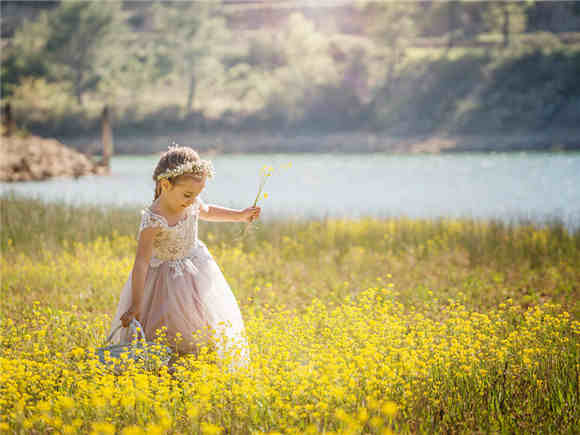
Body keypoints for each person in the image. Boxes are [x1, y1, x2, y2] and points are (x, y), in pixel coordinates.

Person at [107, 144, 260, 372]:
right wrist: (137, 302)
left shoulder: (191, 202)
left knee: (201, 321)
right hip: (163, 280)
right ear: (165, 185)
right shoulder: (154, 219)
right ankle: (162, 368)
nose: (192, 200)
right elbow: (141, 262)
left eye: (197, 195)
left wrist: (239, 216)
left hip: (195, 269)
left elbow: (206, 210)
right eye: (188, 195)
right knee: (165, 325)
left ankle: (198, 367)